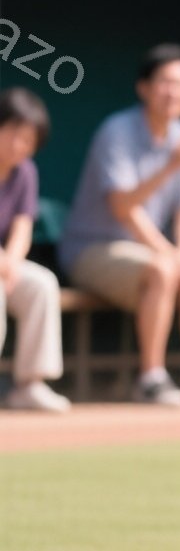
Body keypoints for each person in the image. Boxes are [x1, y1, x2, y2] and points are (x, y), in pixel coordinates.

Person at [59, 43, 180, 408]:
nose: (173, 91)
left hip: (145, 250)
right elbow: (124, 208)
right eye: (164, 82)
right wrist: (172, 166)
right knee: (163, 268)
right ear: (144, 87)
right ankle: (151, 378)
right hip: (92, 248)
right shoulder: (117, 131)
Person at [0, 88, 69, 413]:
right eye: (12, 133)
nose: (18, 145)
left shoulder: (26, 172)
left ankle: (30, 384)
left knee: (41, 283)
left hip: (5, 264)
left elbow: (23, 226)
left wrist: (11, 261)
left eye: (27, 139)